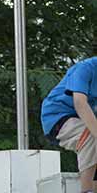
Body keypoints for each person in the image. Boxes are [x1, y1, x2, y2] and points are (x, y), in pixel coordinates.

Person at [41, 57, 97, 193]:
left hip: (82, 118)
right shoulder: (85, 68)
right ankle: (87, 190)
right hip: (57, 116)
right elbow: (80, 103)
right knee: (89, 134)